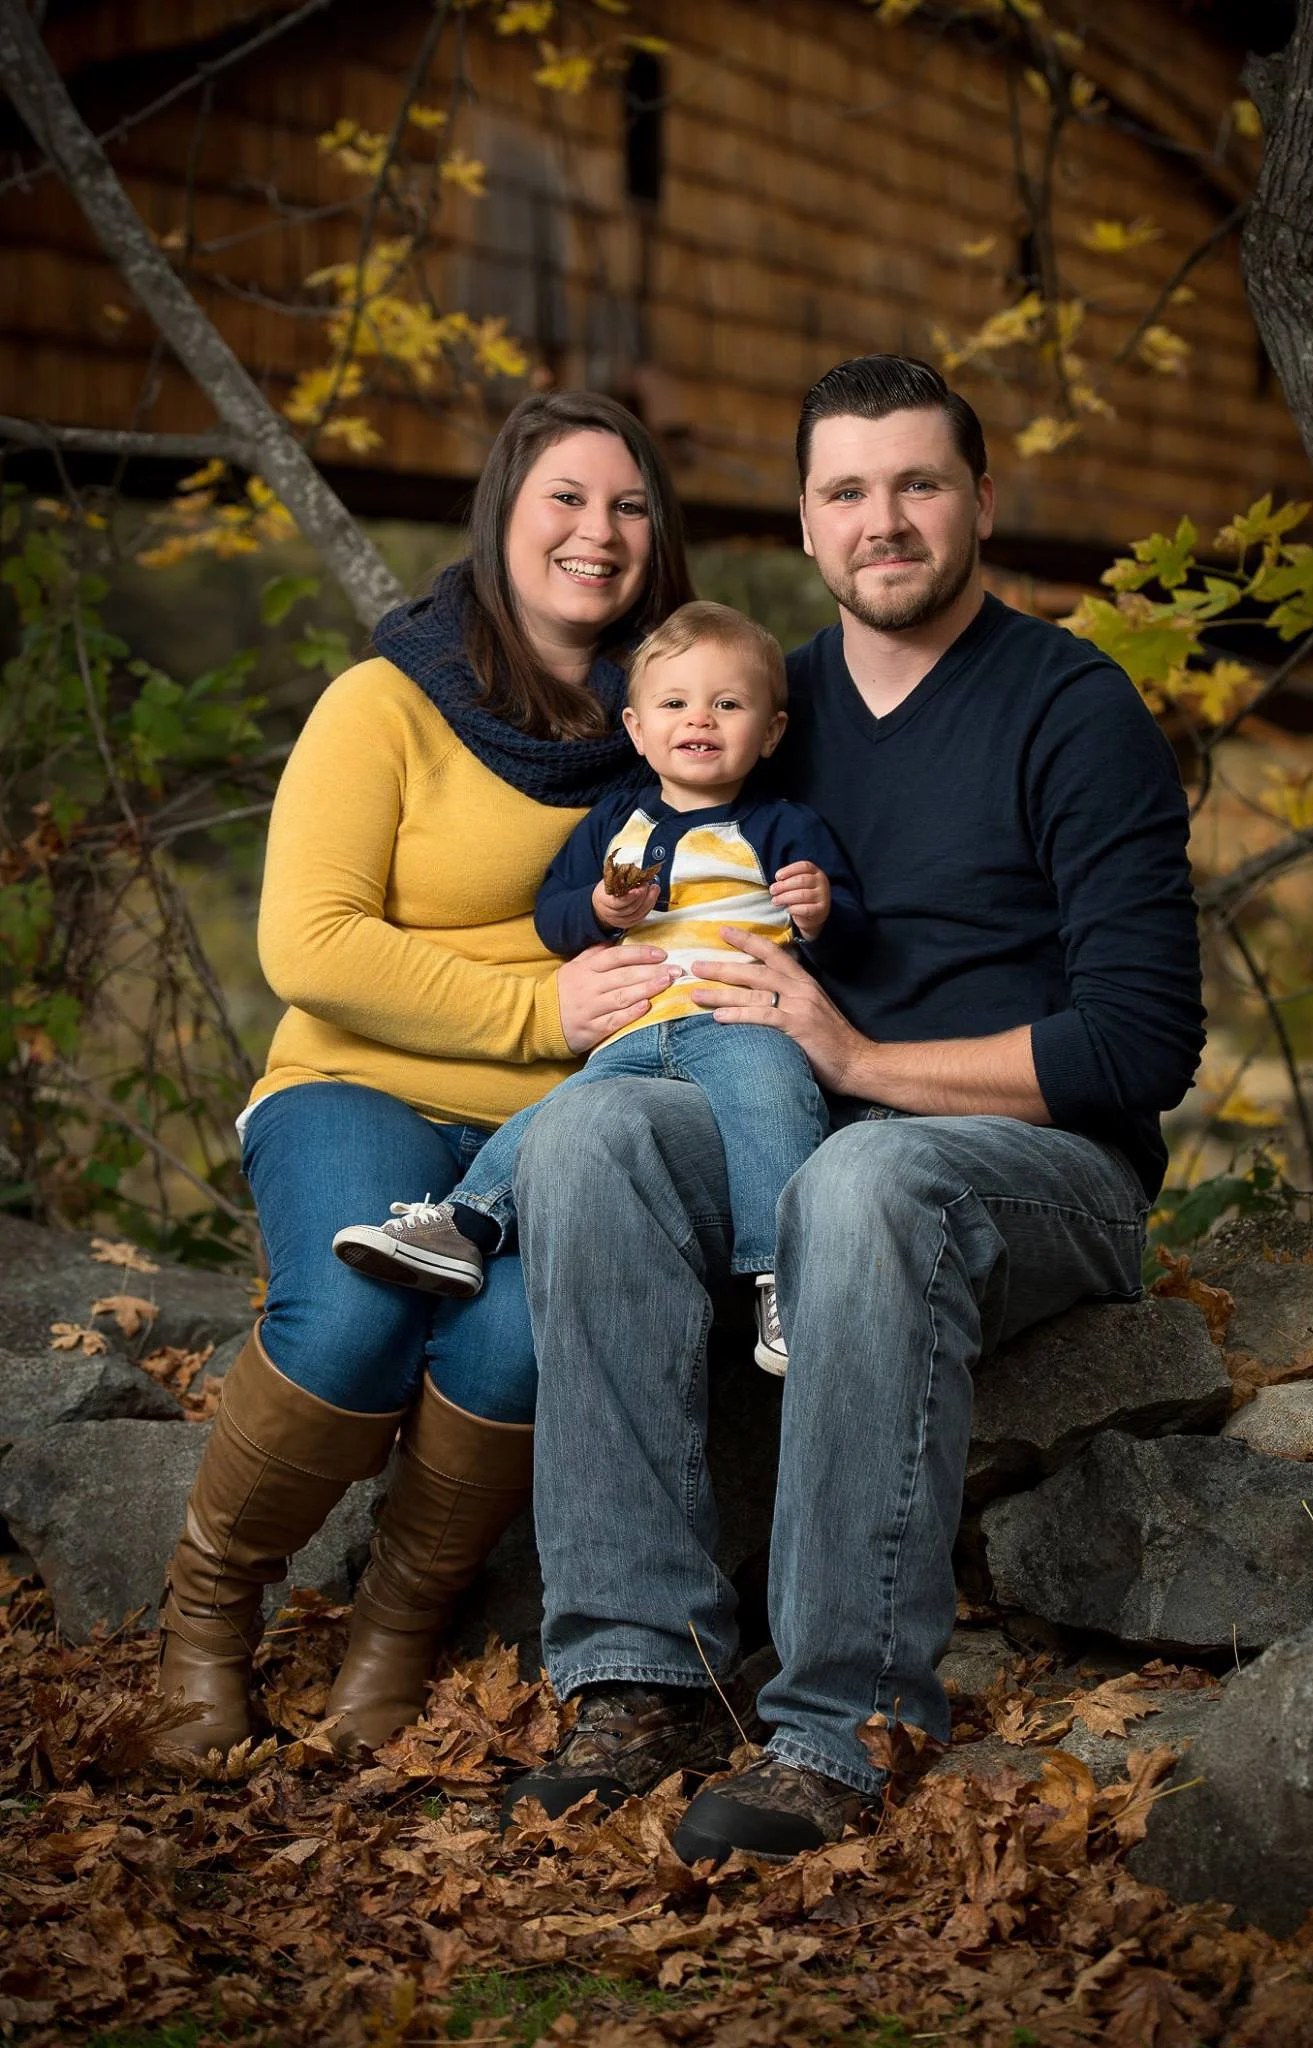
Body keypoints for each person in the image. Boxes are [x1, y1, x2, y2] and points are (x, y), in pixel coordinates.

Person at [501, 356, 1206, 1862]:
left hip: (1035, 1167)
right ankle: (642, 1674)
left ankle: (842, 1724)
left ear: (979, 504)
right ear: (807, 526)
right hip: (795, 1125)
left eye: (915, 484)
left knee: (862, 1182)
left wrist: (863, 1062)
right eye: (844, 492)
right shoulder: (765, 704)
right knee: (588, 1138)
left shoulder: (1072, 711)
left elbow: (1142, 1044)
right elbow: (607, 853)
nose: (880, 521)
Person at [155, 390, 694, 1763]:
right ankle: (207, 1619)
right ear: (503, 518)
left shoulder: (687, 721)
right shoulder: (387, 700)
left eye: (629, 505)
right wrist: (541, 1008)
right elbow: (308, 946)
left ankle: (394, 1635)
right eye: (564, 499)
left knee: (516, 1344)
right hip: (357, 1083)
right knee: (349, 1324)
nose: (598, 531)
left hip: (561, 1130)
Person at [329, 600, 868, 1375]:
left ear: (772, 731)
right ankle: (463, 1226)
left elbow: (854, 938)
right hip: (632, 1027)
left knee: (773, 1101)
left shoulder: (783, 826)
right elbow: (553, 917)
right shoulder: (617, 822)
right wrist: (597, 908)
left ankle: (785, 1280)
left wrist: (820, 912)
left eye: (729, 704)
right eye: (676, 704)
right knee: (557, 1117)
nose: (701, 721)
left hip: (739, 1016)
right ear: (638, 728)